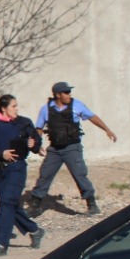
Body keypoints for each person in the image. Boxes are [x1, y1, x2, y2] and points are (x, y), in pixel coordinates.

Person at [26, 81, 117, 216]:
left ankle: (91, 204)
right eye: (66, 92)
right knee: (45, 174)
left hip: (72, 148)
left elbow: (92, 117)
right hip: (55, 150)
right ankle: (35, 205)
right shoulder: (46, 109)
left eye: (69, 92)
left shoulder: (77, 105)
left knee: (80, 175)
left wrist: (107, 130)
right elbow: (39, 128)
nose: (69, 95)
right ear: (58, 95)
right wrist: (37, 144)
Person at [0, 94, 44, 257]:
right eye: (13, 106)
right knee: (9, 204)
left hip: (17, 169)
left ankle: (0, 244)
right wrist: (1, 153)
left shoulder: (24, 122)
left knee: (6, 203)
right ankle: (35, 230)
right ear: (4, 108)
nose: (16, 109)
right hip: (0, 171)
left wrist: (33, 144)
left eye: (17, 106)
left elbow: (35, 140)